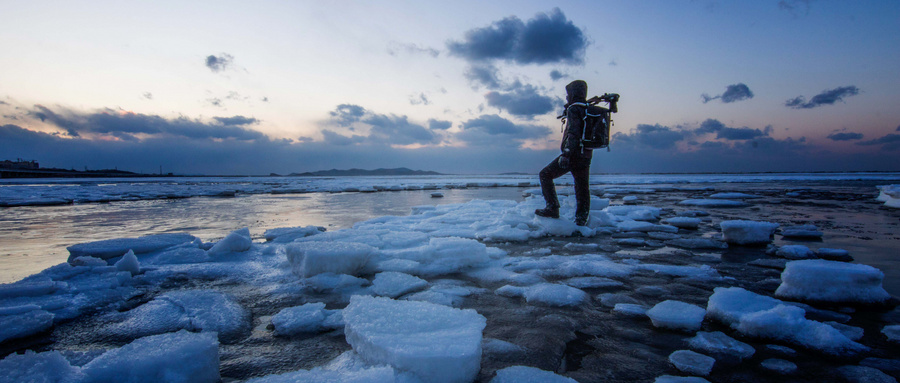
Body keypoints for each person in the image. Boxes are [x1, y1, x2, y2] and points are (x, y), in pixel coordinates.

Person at [535, 79, 593, 226]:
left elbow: (573, 133)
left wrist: (567, 154)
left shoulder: (575, 109)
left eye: (568, 94)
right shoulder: (587, 108)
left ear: (573, 93)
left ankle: (552, 208)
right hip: (586, 154)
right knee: (582, 186)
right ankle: (581, 218)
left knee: (545, 174)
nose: (567, 97)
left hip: (573, 154)